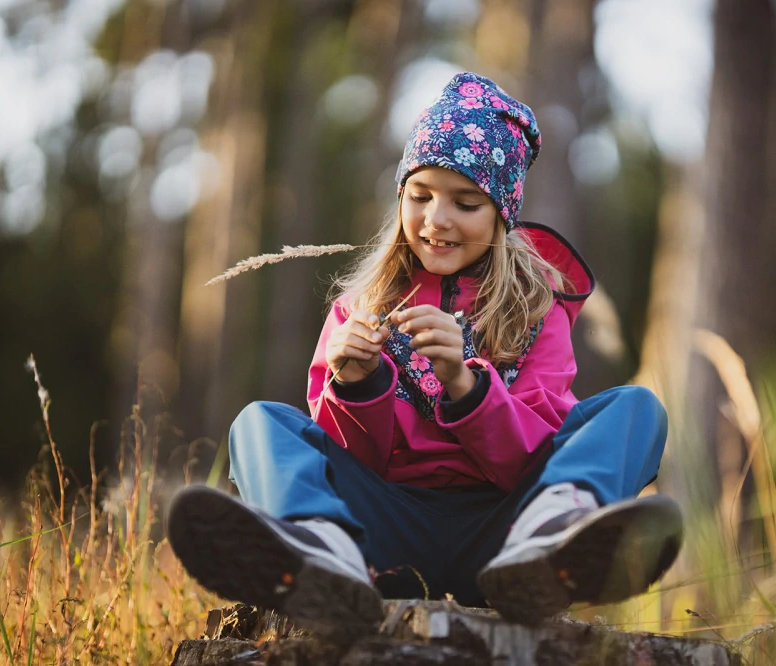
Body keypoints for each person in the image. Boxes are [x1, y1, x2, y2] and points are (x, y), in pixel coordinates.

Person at [167, 72, 682, 634]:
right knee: (259, 422)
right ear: (401, 197)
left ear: (501, 216)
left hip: (503, 534)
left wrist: (466, 386)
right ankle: (321, 555)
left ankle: (551, 547)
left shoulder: (540, 312)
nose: (437, 219)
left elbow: (529, 457)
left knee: (636, 409)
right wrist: (356, 385)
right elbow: (350, 460)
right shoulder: (356, 310)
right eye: (421, 196)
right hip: (381, 539)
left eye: (465, 203)